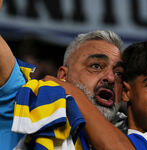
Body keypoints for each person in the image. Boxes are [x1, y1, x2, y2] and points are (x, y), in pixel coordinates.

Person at [0, 29, 133, 149]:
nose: (111, 78)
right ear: (63, 75)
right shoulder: (28, 102)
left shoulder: (136, 135)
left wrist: (75, 93)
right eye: (96, 66)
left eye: (118, 73)